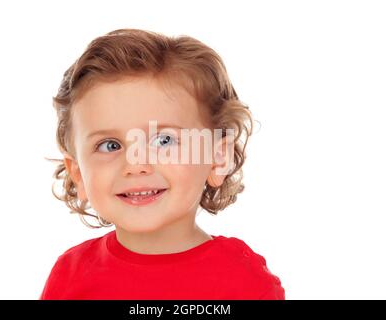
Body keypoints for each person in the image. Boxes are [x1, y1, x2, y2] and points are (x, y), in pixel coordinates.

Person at [40, 28, 285, 300]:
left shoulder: (242, 281)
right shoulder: (71, 277)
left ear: (217, 157)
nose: (136, 165)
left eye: (164, 140)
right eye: (110, 145)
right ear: (79, 173)